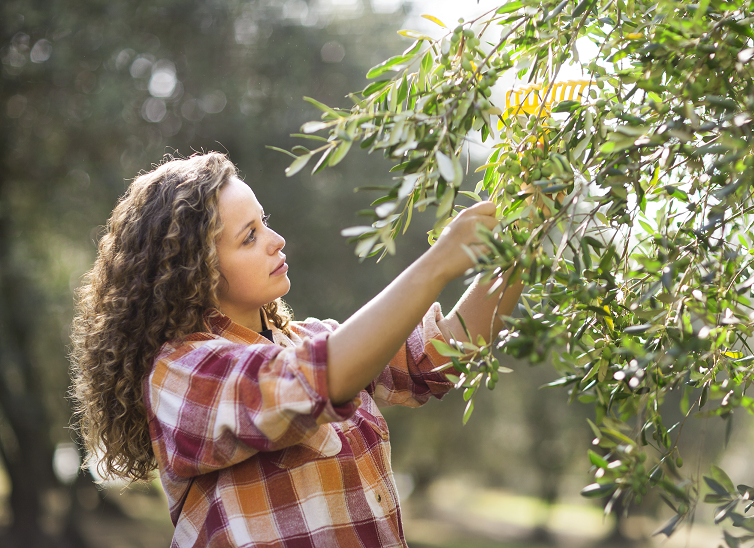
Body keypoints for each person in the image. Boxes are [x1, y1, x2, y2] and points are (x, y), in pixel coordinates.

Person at [70, 152, 522, 547]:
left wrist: (522, 241)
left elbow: (443, 355)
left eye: (264, 221)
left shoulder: (310, 340)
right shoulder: (180, 373)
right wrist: (438, 263)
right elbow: (316, 380)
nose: (275, 240)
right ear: (196, 273)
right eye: (248, 236)